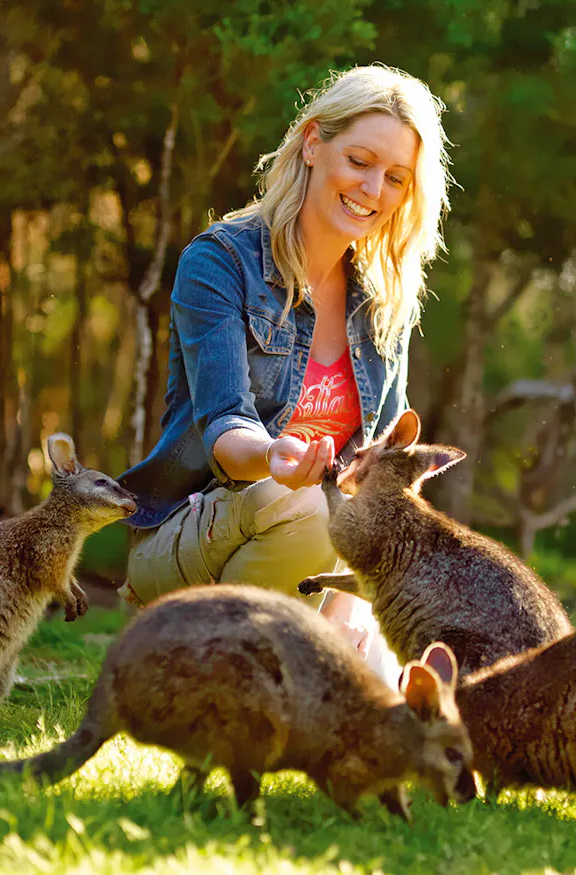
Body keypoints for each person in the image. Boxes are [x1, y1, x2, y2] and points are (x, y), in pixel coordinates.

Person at [115, 65, 452, 685]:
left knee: (393, 704)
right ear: (313, 143)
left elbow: (388, 470)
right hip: (193, 535)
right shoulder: (219, 262)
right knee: (302, 504)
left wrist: (350, 599)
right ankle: (213, 677)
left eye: (396, 177)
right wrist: (275, 456)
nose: (373, 188)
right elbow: (224, 428)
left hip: (322, 555)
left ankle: (271, 669)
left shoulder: (384, 298)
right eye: (359, 160)